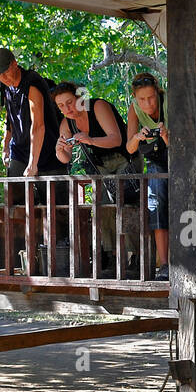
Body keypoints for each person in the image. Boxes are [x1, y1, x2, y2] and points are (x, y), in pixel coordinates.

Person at [51, 82, 140, 274]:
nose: (67, 109)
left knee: (128, 206)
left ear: (80, 99)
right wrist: (60, 150)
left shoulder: (98, 106)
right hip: (101, 168)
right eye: (61, 106)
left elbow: (116, 139)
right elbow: (65, 158)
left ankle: (137, 257)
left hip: (124, 160)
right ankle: (113, 259)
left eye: (70, 102)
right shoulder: (67, 123)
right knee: (104, 208)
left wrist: (90, 140)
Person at [0, 48, 68, 196]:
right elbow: (10, 116)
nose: (3, 78)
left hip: (47, 151)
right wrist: (6, 145)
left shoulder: (32, 83)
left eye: (5, 72)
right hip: (19, 151)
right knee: (14, 201)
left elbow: (38, 126)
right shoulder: (4, 86)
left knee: (57, 207)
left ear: (14, 64)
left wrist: (33, 164)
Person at [125, 72, 170, 280]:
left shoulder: (169, 102)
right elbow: (130, 148)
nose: (148, 103)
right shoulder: (134, 110)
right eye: (142, 99)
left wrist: (165, 135)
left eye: (151, 97)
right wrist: (138, 136)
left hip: (179, 159)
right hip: (154, 160)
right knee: (157, 207)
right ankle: (165, 264)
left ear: (157, 92)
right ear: (135, 97)